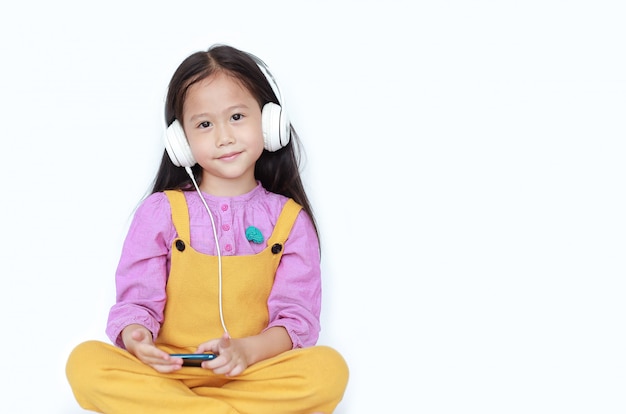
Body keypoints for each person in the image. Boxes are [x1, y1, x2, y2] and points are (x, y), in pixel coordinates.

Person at [66, 44, 349, 414]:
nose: (223, 137)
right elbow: (137, 304)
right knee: (85, 363)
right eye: (204, 124)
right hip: (169, 373)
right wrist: (137, 339)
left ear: (269, 123)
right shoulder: (161, 212)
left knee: (328, 371)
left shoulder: (290, 221)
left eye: (236, 117)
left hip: (250, 372)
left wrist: (246, 351)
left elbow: (297, 320)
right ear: (181, 141)